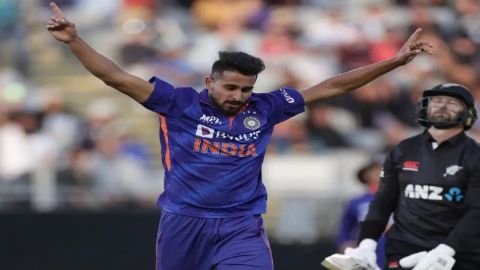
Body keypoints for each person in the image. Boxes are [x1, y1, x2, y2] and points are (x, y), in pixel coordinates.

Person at [46, 2, 431, 269]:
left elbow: (333, 86)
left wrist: (394, 62)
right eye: (230, 88)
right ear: (209, 81)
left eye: (246, 89)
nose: (238, 96)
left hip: (241, 223)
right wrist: (75, 40)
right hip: (184, 220)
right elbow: (116, 77)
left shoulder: (267, 107)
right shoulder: (177, 102)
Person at [323, 83, 480, 270]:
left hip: (457, 253)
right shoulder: (403, 149)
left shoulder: (474, 155)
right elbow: (382, 201)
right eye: (437, 101)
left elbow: (476, 211)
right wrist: (367, 244)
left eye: (452, 102)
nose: (443, 106)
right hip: (404, 248)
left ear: (468, 112)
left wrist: (447, 249)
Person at [336, 160, 387, 268]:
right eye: (373, 171)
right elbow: (346, 225)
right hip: (364, 244)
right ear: (366, 176)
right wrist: (344, 242)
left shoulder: (399, 199)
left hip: (391, 245)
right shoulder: (357, 201)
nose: (377, 174)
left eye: (380, 171)